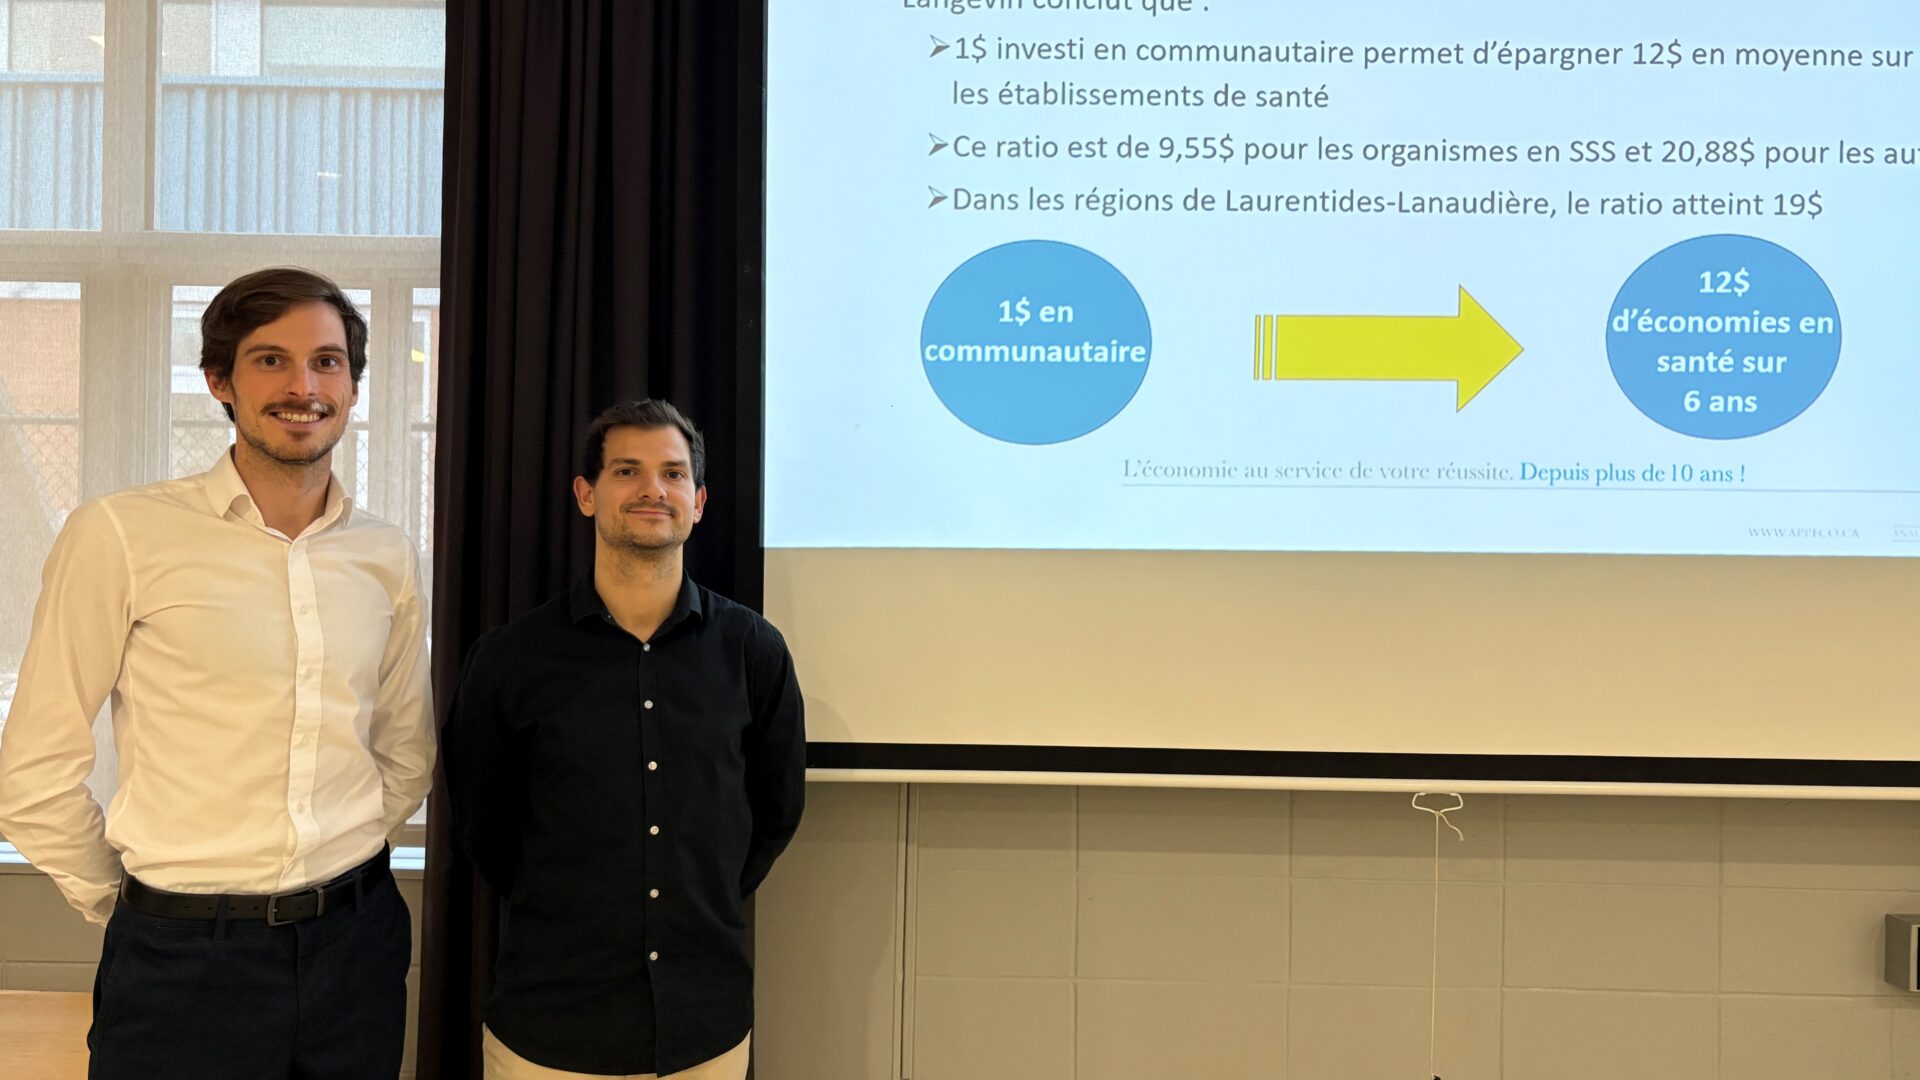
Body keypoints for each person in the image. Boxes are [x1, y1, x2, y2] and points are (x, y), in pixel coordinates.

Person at [0, 267, 435, 1079]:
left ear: (353, 386)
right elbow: (32, 773)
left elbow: (405, 750)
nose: (304, 387)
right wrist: (141, 906)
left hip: (356, 948)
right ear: (218, 381)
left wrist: (341, 861)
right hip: (180, 965)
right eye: (271, 360)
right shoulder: (121, 535)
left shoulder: (385, 554)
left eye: (328, 362)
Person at [444, 399, 806, 1080]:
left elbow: (775, 811)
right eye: (626, 471)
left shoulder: (753, 651)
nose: (652, 490)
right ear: (587, 495)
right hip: (548, 1033)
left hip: (705, 1031)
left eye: (673, 474)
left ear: (699, 502)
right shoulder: (509, 660)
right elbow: (483, 829)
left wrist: (703, 889)